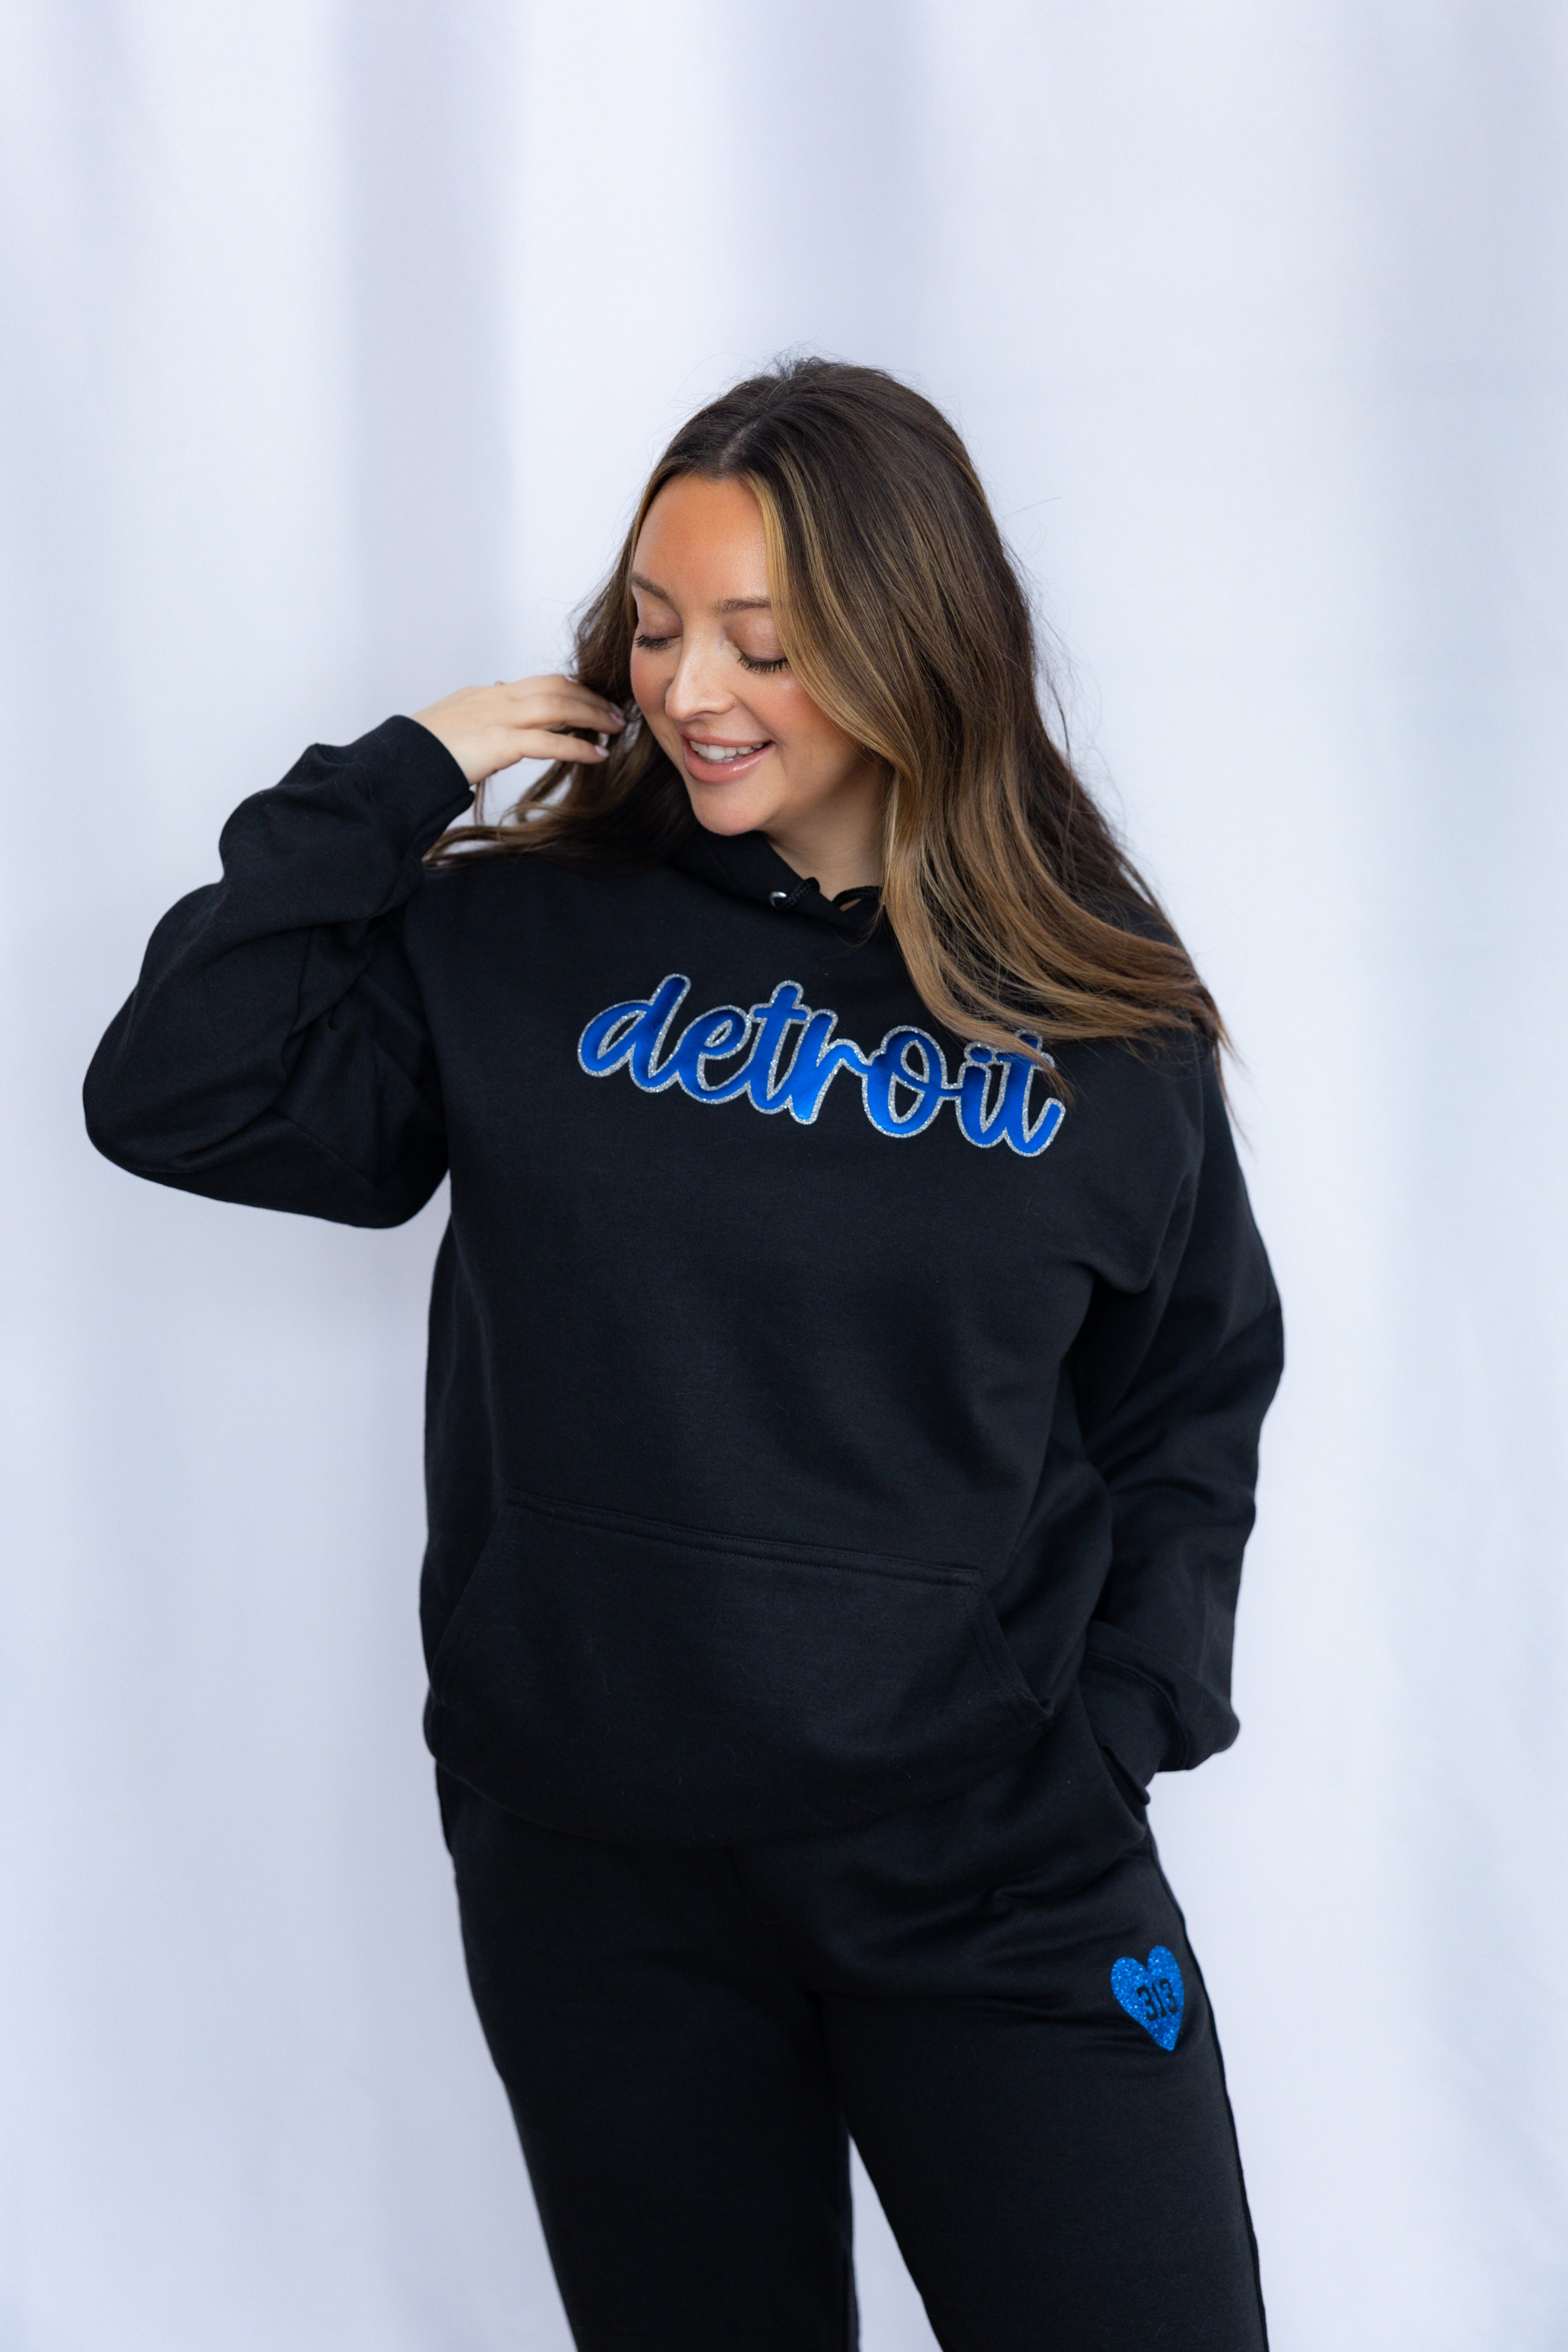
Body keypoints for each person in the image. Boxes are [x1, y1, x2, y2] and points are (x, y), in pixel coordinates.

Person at [84, 357, 1283, 2352]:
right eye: (655, 628)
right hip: (600, 1880)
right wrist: (396, 777)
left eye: (764, 643)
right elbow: (172, 1089)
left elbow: (1188, 1394)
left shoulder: (1094, 1005)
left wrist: (1118, 1722)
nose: (690, 688)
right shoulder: (523, 943)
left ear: (914, 643)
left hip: (988, 1873)